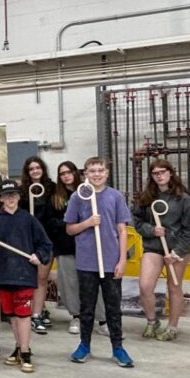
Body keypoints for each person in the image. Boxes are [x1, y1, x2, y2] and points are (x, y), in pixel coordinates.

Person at [64, 157, 134, 367]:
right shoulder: (78, 197)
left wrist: (122, 260)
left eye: (100, 170)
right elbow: (70, 229)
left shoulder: (115, 196)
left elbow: (122, 231)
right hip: (86, 262)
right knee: (87, 307)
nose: (96, 174)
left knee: (113, 307)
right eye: (92, 170)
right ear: (85, 173)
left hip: (111, 261)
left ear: (106, 173)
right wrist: (87, 223)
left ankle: (118, 348)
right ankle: (84, 345)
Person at [0, 180, 53, 373]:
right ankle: (18, 347)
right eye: (7, 195)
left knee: (23, 316)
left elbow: (45, 245)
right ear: (1, 198)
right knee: (12, 317)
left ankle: (26, 351)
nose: (10, 198)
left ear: (19, 197)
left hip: (24, 276)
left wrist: (39, 256)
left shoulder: (28, 219)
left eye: (14, 194)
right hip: (3, 275)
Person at [132, 159, 190, 342]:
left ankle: (173, 327)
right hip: (153, 247)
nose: (159, 175)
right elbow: (137, 221)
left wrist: (177, 252)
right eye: (155, 173)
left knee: (174, 287)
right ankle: (152, 321)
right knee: (145, 286)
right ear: (151, 176)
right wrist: (151, 230)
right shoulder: (145, 198)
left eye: (163, 171)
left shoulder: (183, 198)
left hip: (176, 249)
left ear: (170, 173)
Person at [42, 161, 106, 336]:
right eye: (62, 173)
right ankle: (76, 316)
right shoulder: (55, 196)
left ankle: (102, 319)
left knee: (95, 284)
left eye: (69, 172)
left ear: (76, 173)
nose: (66, 176)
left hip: (89, 246)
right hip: (65, 246)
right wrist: (68, 224)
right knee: (69, 284)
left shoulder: (88, 191)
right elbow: (50, 221)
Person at [19, 156, 56, 334]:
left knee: (42, 278)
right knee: (30, 279)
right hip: (27, 240)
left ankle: (36, 314)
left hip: (46, 240)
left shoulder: (52, 188)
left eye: (37, 167)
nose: (35, 171)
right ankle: (34, 311)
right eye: (31, 168)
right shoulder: (22, 191)